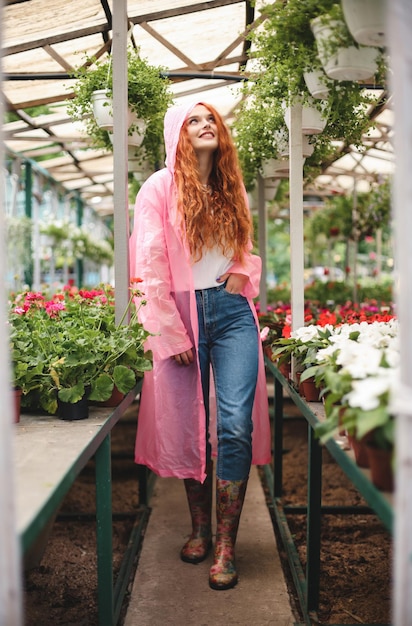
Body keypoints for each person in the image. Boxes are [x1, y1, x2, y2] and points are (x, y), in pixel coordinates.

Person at [129, 101, 271, 590]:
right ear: (177, 133)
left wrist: (241, 271)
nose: (206, 125)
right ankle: (199, 528)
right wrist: (168, 330)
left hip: (232, 316)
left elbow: (247, 253)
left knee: (233, 424)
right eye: (194, 119)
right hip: (183, 315)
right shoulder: (158, 187)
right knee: (193, 420)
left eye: (211, 119)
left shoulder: (232, 186)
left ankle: (227, 545)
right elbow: (147, 262)